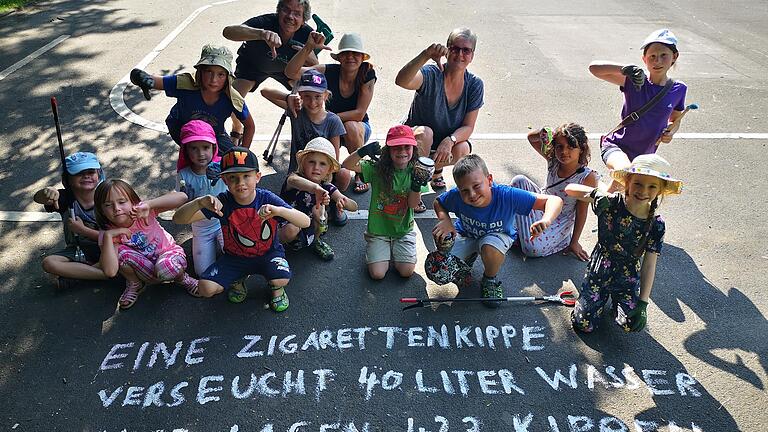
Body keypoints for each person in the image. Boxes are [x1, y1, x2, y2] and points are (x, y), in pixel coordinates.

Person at [172, 147, 310, 312]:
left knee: (281, 278)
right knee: (205, 288)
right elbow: (179, 219)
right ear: (224, 180)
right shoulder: (222, 202)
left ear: (257, 177)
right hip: (235, 258)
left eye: (246, 176)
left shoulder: (266, 198)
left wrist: (279, 211)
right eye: (233, 178)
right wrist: (198, 202)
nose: (241, 183)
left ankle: (276, 289)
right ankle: (238, 279)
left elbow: (306, 221)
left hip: (268, 254)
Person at [565, 154, 683, 333]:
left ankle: (614, 305)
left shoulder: (656, 224)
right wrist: (596, 193)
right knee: (584, 324)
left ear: (660, 190)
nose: (643, 191)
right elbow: (570, 188)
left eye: (652, 186)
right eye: (638, 183)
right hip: (599, 271)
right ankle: (594, 301)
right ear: (627, 181)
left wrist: (643, 303)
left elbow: (649, 264)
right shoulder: (610, 202)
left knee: (630, 323)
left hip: (627, 278)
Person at [431, 154, 563, 307]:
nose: (472, 194)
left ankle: (489, 279)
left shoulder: (507, 195)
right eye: (464, 190)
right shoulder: (456, 196)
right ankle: (466, 263)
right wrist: (445, 220)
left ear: (490, 180)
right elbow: (438, 202)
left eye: (476, 186)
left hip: (496, 237)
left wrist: (546, 220)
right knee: (438, 269)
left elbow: (554, 200)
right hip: (466, 234)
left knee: (489, 246)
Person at [395, 27, 484, 199]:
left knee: (463, 147)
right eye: (455, 48)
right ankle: (414, 190)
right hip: (416, 140)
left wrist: (450, 140)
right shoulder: (431, 73)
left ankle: (437, 170)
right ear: (447, 49)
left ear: (472, 55)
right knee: (425, 133)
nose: (460, 54)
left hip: (444, 142)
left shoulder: (475, 84)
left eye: (466, 50)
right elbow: (401, 81)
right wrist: (425, 54)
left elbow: (468, 126)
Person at [589, 29, 687, 183]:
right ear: (644, 59)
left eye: (663, 55)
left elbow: (675, 118)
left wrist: (671, 131)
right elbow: (594, 68)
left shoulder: (678, 89)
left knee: (622, 194)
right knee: (627, 173)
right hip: (616, 146)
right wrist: (625, 69)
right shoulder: (634, 81)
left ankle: (599, 195)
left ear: (674, 57)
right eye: (652, 56)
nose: (657, 61)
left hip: (644, 157)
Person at [285, 31, 376, 194]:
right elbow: (291, 73)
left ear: (362, 58)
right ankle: (324, 172)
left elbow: (359, 113)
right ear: (339, 57)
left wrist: (322, 116)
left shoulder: (367, 73)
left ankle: (360, 172)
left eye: (355, 53)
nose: (350, 57)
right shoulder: (328, 70)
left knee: (351, 127)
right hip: (329, 125)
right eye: (345, 53)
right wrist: (308, 48)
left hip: (356, 127)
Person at [262, 69, 351, 225]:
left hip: (322, 173)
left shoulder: (333, 120)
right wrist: (288, 97)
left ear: (326, 95)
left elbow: (334, 159)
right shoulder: (296, 112)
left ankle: (336, 205)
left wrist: (327, 183)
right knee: (299, 212)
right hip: (299, 172)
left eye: (317, 96)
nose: (312, 102)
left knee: (343, 174)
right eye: (307, 96)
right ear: (300, 96)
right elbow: (265, 92)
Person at [129, 44, 255, 155]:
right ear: (200, 71)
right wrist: (140, 78)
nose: (213, 79)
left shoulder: (233, 98)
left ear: (228, 77)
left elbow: (250, 126)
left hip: (214, 133)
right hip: (181, 127)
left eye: (220, 74)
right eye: (208, 72)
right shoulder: (185, 83)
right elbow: (150, 79)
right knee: (197, 161)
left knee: (230, 162)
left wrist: (244, 153)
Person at [342, 125, 430, 280]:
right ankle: (376, 245)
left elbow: (412, 205)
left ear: (414, 149)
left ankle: (392, 249)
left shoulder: (418, 170)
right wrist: (362, 151)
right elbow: (347, 165)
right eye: (396, 147)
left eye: (406, 147)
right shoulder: (377, 168)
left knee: (406, 271)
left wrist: (416, 185)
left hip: (403, 231)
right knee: (377, 274)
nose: (402, 152)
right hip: (378, 230)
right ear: (387, 150)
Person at [222, 0, 318, 143]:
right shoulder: (265, 22)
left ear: (303, 21)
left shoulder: (308, 35)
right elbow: (228, 32)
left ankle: (311, 137)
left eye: (297, 14)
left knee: (313, 96)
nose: (291, 16)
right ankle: (237, 128)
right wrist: (260, 34)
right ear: (278, 11)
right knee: (232, 99)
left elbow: (314, 69)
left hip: (286, 70)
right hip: (252, 65)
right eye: (286, 10)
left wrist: (309, 53)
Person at [94, 180, 198, 310]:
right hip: (146, 271)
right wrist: (108, 236)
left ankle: (183, 278)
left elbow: (182, 197)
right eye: (108, 205)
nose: (117, 209)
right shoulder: (107, 232)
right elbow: (110, 271)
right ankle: (134, 283)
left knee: (166, 267)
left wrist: (149, 204)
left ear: (133, 201)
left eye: (122, 202)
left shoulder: (143, 212)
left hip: (170, 258)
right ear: (102, 211)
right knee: (118, 251)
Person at [511, 123, 598, 260]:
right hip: (541, 205)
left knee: (532, 249)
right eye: (560, 147)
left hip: (559, 221)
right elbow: (531, 138)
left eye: (571, 147)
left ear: (581, 149)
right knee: (518, 181)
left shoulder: (587, 177)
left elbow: (582, 211)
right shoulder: (553, 160)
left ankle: (521, 234)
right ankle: (520, 233)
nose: (564, 152)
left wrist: (574, 242)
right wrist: (543, 132)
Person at [34, 152, 108, 289]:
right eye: (79, 173)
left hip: (109, 247)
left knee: (123, 253)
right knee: (49, 263)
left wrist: (82, 230)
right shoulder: (64, 198)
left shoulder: (107, 195)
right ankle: (105, 274)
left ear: (99, 174)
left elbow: (115, 237)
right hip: (80, 250)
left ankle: (82, 274)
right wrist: (46, 192)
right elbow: (39, 198)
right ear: (67, 179)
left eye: (91, 172)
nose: (86, 176)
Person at [281, 137, 358, 260]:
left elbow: (353, 207)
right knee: (292, 229)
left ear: (329, 170)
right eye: (311, 162)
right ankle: (274, 246)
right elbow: (293, 180)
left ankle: (315, 240)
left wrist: (341, 201)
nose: (316, 167)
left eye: (322, 164)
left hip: (308, 227)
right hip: (287, 223)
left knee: (319, 211)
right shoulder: (295, 178)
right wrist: (315, 189)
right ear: (303, 163)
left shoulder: (327, 186)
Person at [176, 120, 228, 276]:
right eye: (194, 148)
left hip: (224, 222)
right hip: (201, 228)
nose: (200, 154)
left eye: (205, 147)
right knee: (202, 272)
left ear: (214, 147)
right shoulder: (184, 175)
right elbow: (181, 200)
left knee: (238, 254)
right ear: (186, 150)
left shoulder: (223, 167)